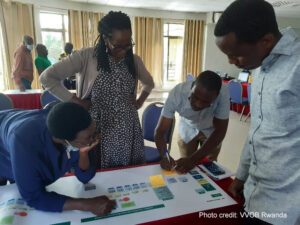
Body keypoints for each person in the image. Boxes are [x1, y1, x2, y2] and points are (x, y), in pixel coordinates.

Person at [214, 0, 300, 225]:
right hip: (254, 195)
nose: (231, 62)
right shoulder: (260, 64)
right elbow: (256, 131)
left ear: (266, 41)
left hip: (287, 209)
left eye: (235, 55)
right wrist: (242, 175)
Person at [40, 11, 154, 169]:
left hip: (128, 127)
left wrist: (140, 101)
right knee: (99, 173)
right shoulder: (86, 56)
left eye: (128, 45)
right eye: (118, 46)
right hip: (97, 127)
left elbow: (149, 83)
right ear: (105, 38)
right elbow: (47, 77)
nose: (124, 51)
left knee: (129, 174)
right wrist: (75, 101)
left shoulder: (134, 60)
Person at [0, 102, 115, 215]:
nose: (94, 138)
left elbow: (85, 177)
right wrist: (86, 205)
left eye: (94, 132)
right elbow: (34, 197)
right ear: (65, 140)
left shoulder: (77, 130)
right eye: (90, 137)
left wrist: (83, 153)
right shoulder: (24, 141)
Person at [155, 71, 230, 174]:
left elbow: (220, 130)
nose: (198, 104)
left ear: (216, 97)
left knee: (209, 168)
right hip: (187, 128)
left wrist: (193, 160)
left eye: (205, 102)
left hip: (211, 131)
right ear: (192, 87)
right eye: (195, 97)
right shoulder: (177, 94)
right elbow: (160, 131)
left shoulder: (223, 93)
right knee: (184, 167)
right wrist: (164, 155)